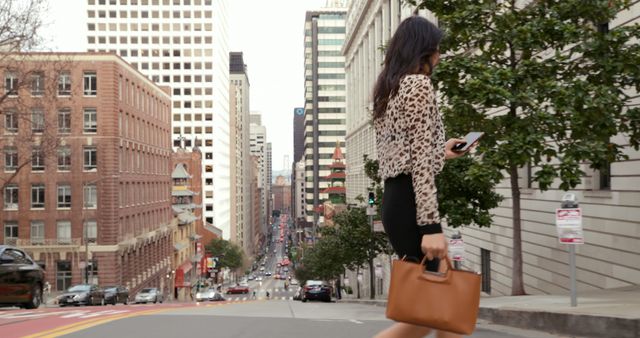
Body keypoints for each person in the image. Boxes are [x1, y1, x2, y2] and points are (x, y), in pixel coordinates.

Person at [372, 15, 474, 338]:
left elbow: (404, 151)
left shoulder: (389, 88)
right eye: (436, 49)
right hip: (412, 205)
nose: (439, 56)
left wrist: (442, 150)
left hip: (397, 200)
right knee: (428, 313)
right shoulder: (417, 85)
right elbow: (417, 163)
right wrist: (431, 227)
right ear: (423, 51)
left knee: (442, 310)